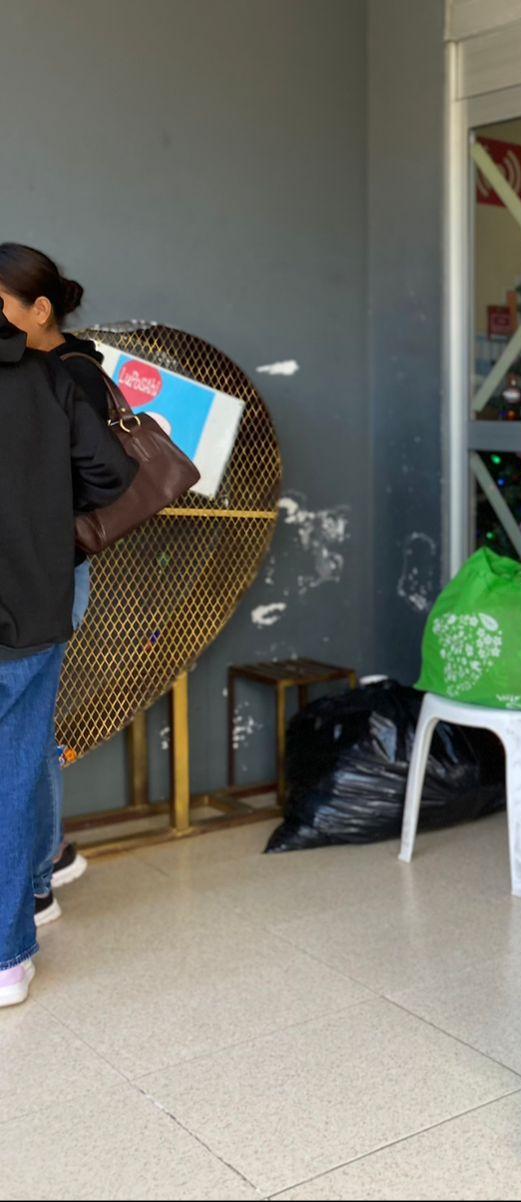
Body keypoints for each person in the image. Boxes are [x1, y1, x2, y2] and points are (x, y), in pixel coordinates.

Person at [0, 309, 135, 1007]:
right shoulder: (46, 377)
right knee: (17, 771)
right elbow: (112, 475)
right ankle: (7, 960)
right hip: (28, 607)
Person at [0, 243, 106, 928]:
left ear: (39, 309)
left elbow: (97, 479)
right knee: (24, 732)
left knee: (27, 736)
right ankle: (43, 862)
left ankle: (38, 873)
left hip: (47, 572)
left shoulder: (68, 375)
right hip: (32, 569)